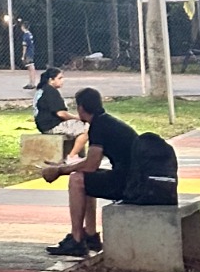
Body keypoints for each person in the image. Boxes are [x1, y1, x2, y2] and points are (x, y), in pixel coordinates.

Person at [41, 87, 138, 257]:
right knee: (85, 179)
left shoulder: (98, 126)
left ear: (81, 108)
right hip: (134, 179)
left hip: (130, 184)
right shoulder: (105, 121)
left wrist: (59, 170)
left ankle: (77, 239)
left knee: (77, 179)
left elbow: (90, 165)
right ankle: (91, 235)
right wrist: (62, 166)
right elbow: (91, 165)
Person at [33, 68, 86, 143]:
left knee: (78, 126)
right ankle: (73, 154)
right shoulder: (51, 92)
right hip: (52, 126)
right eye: (59, 78)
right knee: (86, 129)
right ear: (51, 80)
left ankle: (74, 152)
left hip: (44, 125)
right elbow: (61, 114)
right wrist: (77, 117)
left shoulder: (43, 90)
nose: (62, 80)